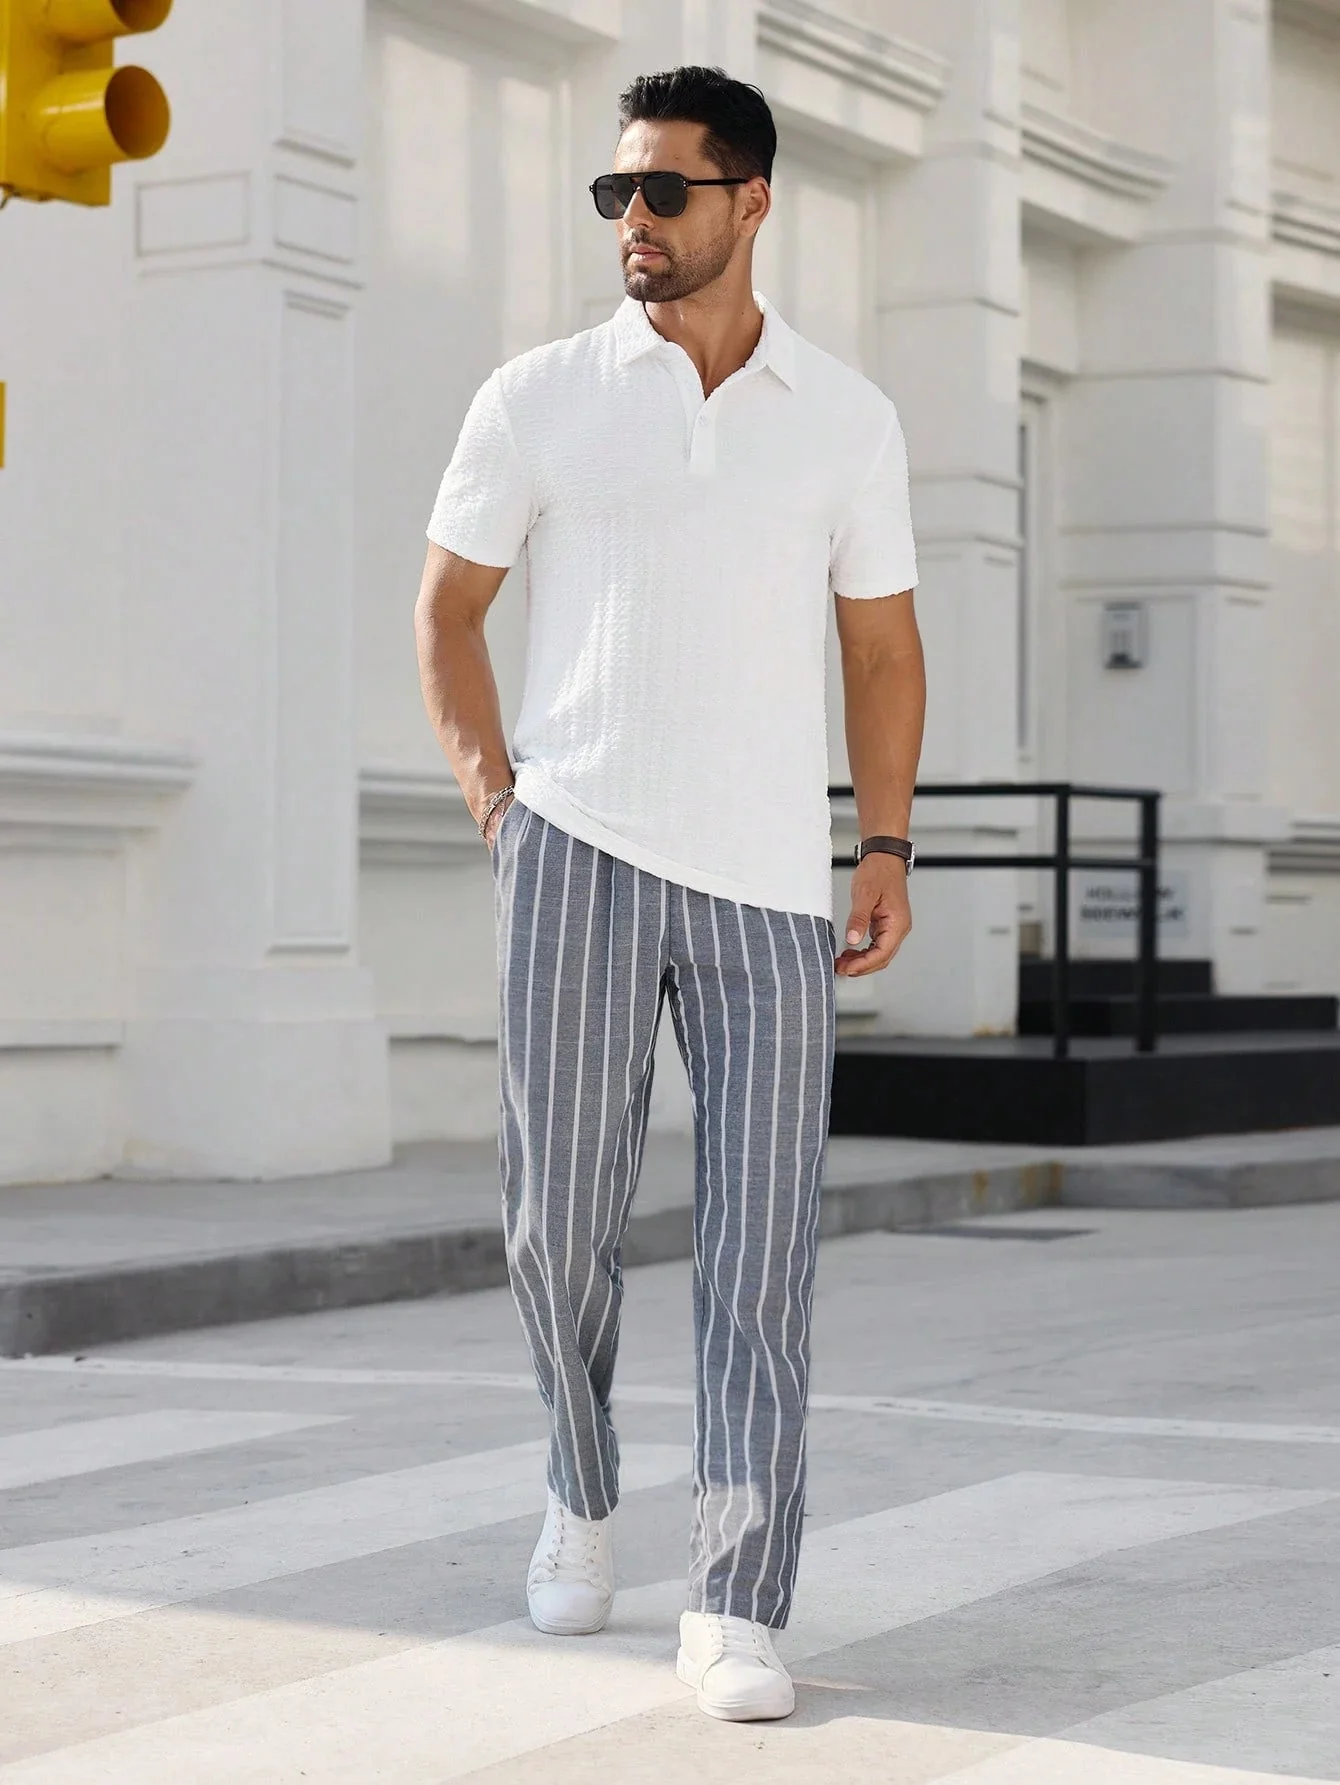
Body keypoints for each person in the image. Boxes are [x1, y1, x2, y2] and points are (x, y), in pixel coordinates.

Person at [414, 64, 925, 1724]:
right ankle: (579, 1486)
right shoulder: (539, 397)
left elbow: (881, 650)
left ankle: (734, 1598)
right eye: (614, 193)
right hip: (574, 849)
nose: (631, 219)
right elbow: (447, 613)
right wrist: (500, 806)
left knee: (762, 1248)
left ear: (751, 200)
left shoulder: (845, 418)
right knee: (556, 1220)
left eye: (664, 191)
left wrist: (885, 846)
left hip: (768, 884)